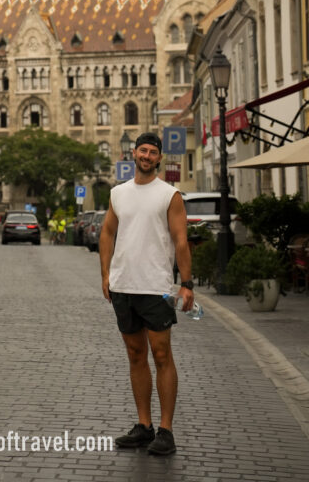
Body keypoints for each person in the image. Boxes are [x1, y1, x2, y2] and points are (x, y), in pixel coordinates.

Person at [99, 132, 194, 457]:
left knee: (162, 355)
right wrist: (105, 273)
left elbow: (181, 241)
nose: (148, 156)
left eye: (154, 152)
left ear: (159, 158)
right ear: (134, 153)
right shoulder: (118, 193)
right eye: (143, 150)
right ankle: (144, 425)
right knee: (136, 356)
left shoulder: (170, 195)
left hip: (155, 287)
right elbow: (108, 232)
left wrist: (187, 283)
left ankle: (166, 430)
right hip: (123, 286)